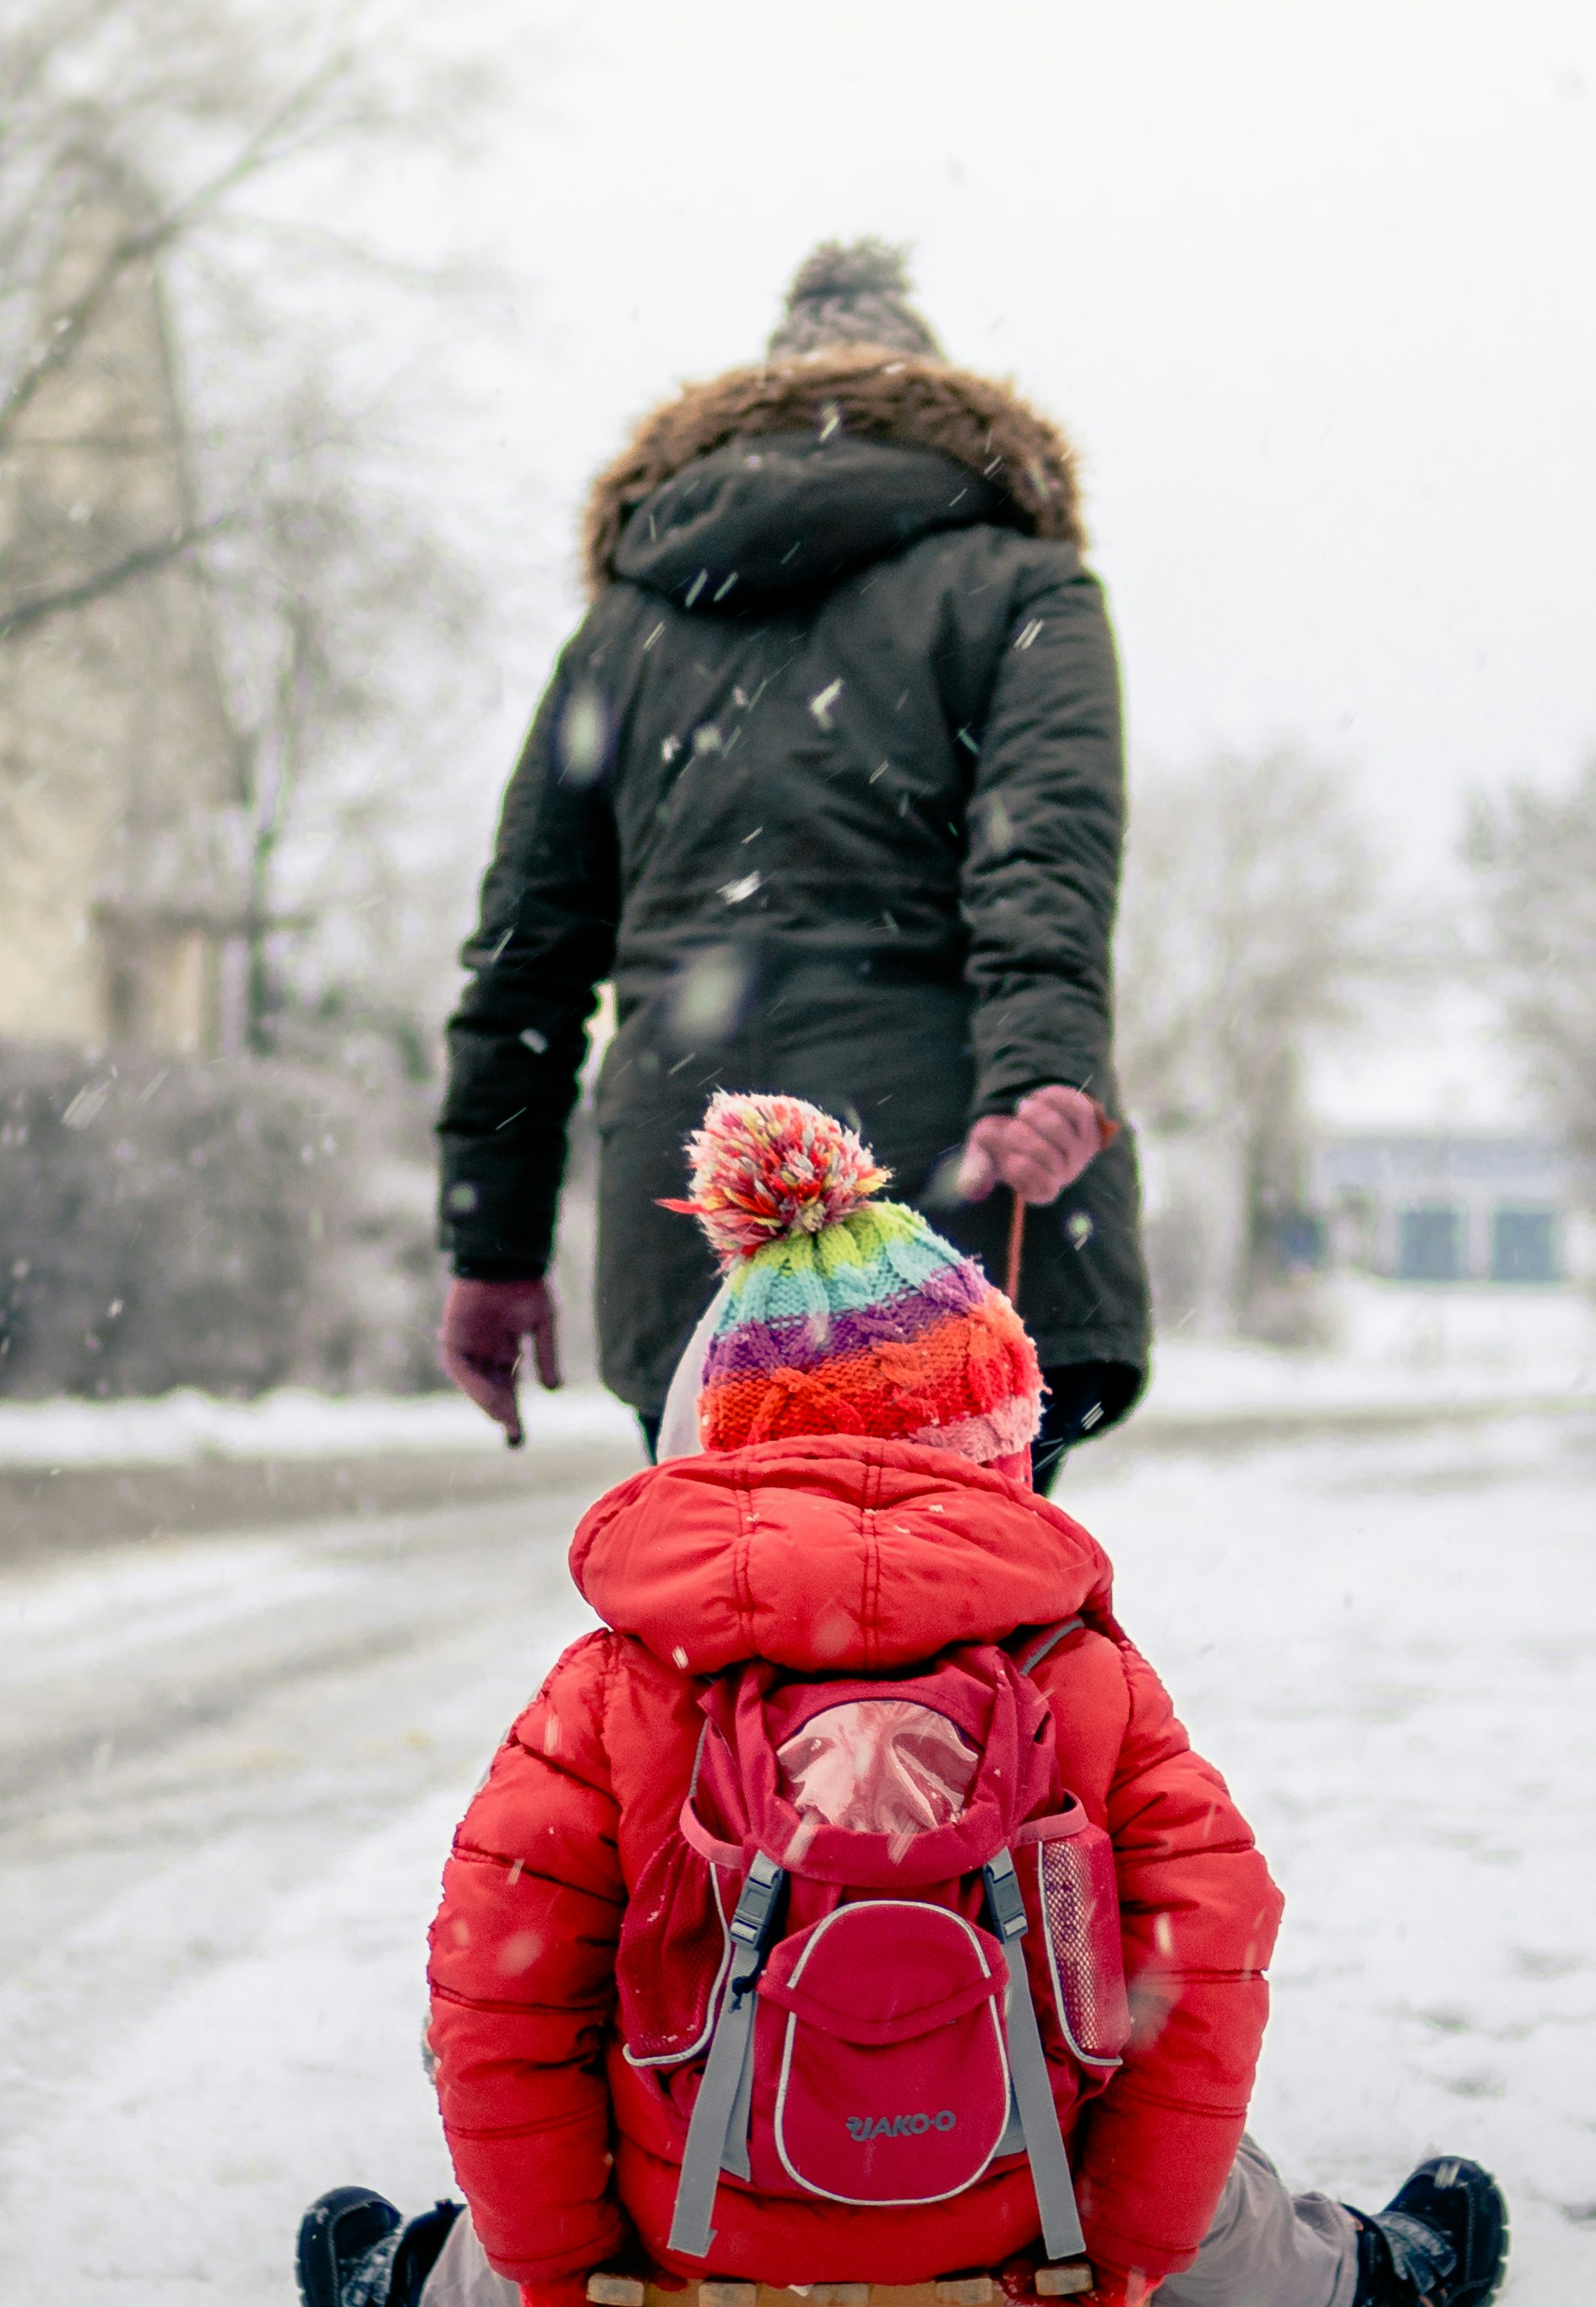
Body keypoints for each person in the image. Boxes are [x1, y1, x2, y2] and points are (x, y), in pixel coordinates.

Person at [297, 1094, 1503, 2307]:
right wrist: (1123, 2237)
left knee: (548, 2115)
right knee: (1198, 2162)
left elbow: (498, 1996)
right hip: (1022, 2202)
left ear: (722, 1433)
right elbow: (1209, 1946)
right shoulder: (1084, 1678)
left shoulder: (620, 1685)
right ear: (999, 1439)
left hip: (689, 2217)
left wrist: (565, 2274)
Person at [434, 241, 1152, 1489]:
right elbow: (1045, 859)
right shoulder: (1022, 588)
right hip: (948, 1203)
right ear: (937, 406)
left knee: (726, 1626)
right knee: (962, 1635)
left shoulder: (626, 630)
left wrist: (493, 1246)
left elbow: (528, 957)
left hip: (701, 1208)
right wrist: (1042, 1068)